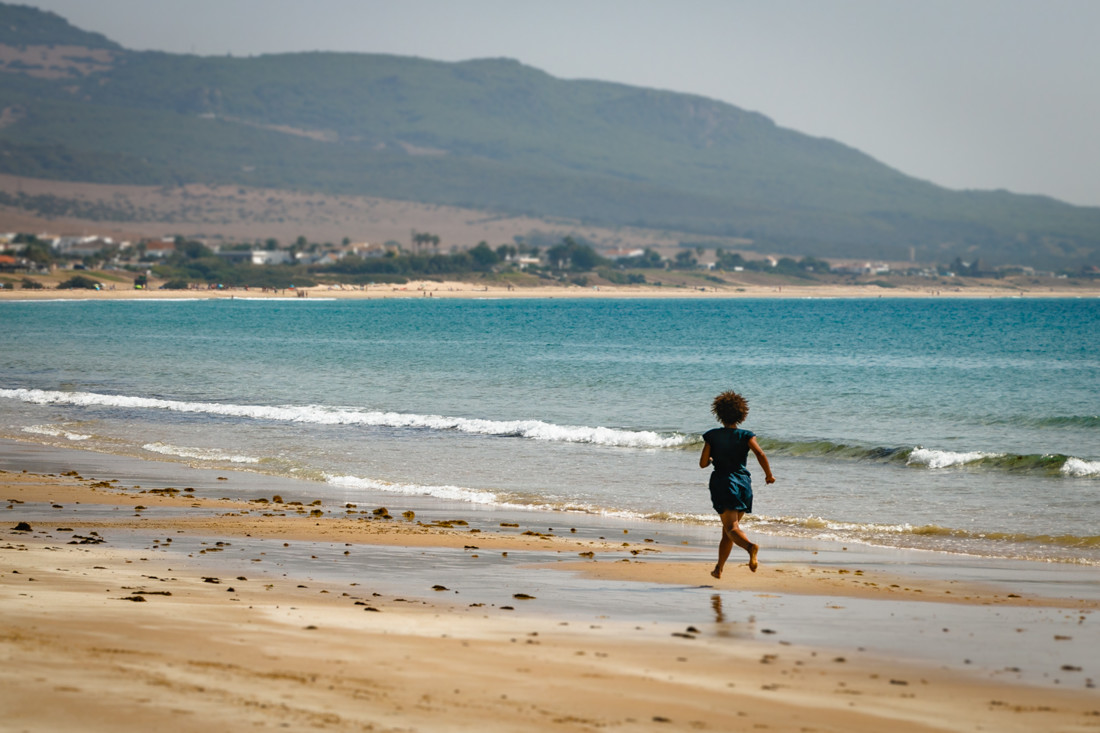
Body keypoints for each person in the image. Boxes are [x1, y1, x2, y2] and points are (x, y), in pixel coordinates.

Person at [699, 390, 775, 578]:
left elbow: (703, 463)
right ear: (742, 414)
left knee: (731, 528)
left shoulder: (712, 436)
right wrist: (768, 475)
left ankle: (750, 547)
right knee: (729, 530)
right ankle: (719, 568)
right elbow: (760, 454)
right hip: (743, 483)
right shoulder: (746, 435)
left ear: (718, 413)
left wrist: (711, 459)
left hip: (724, 483)